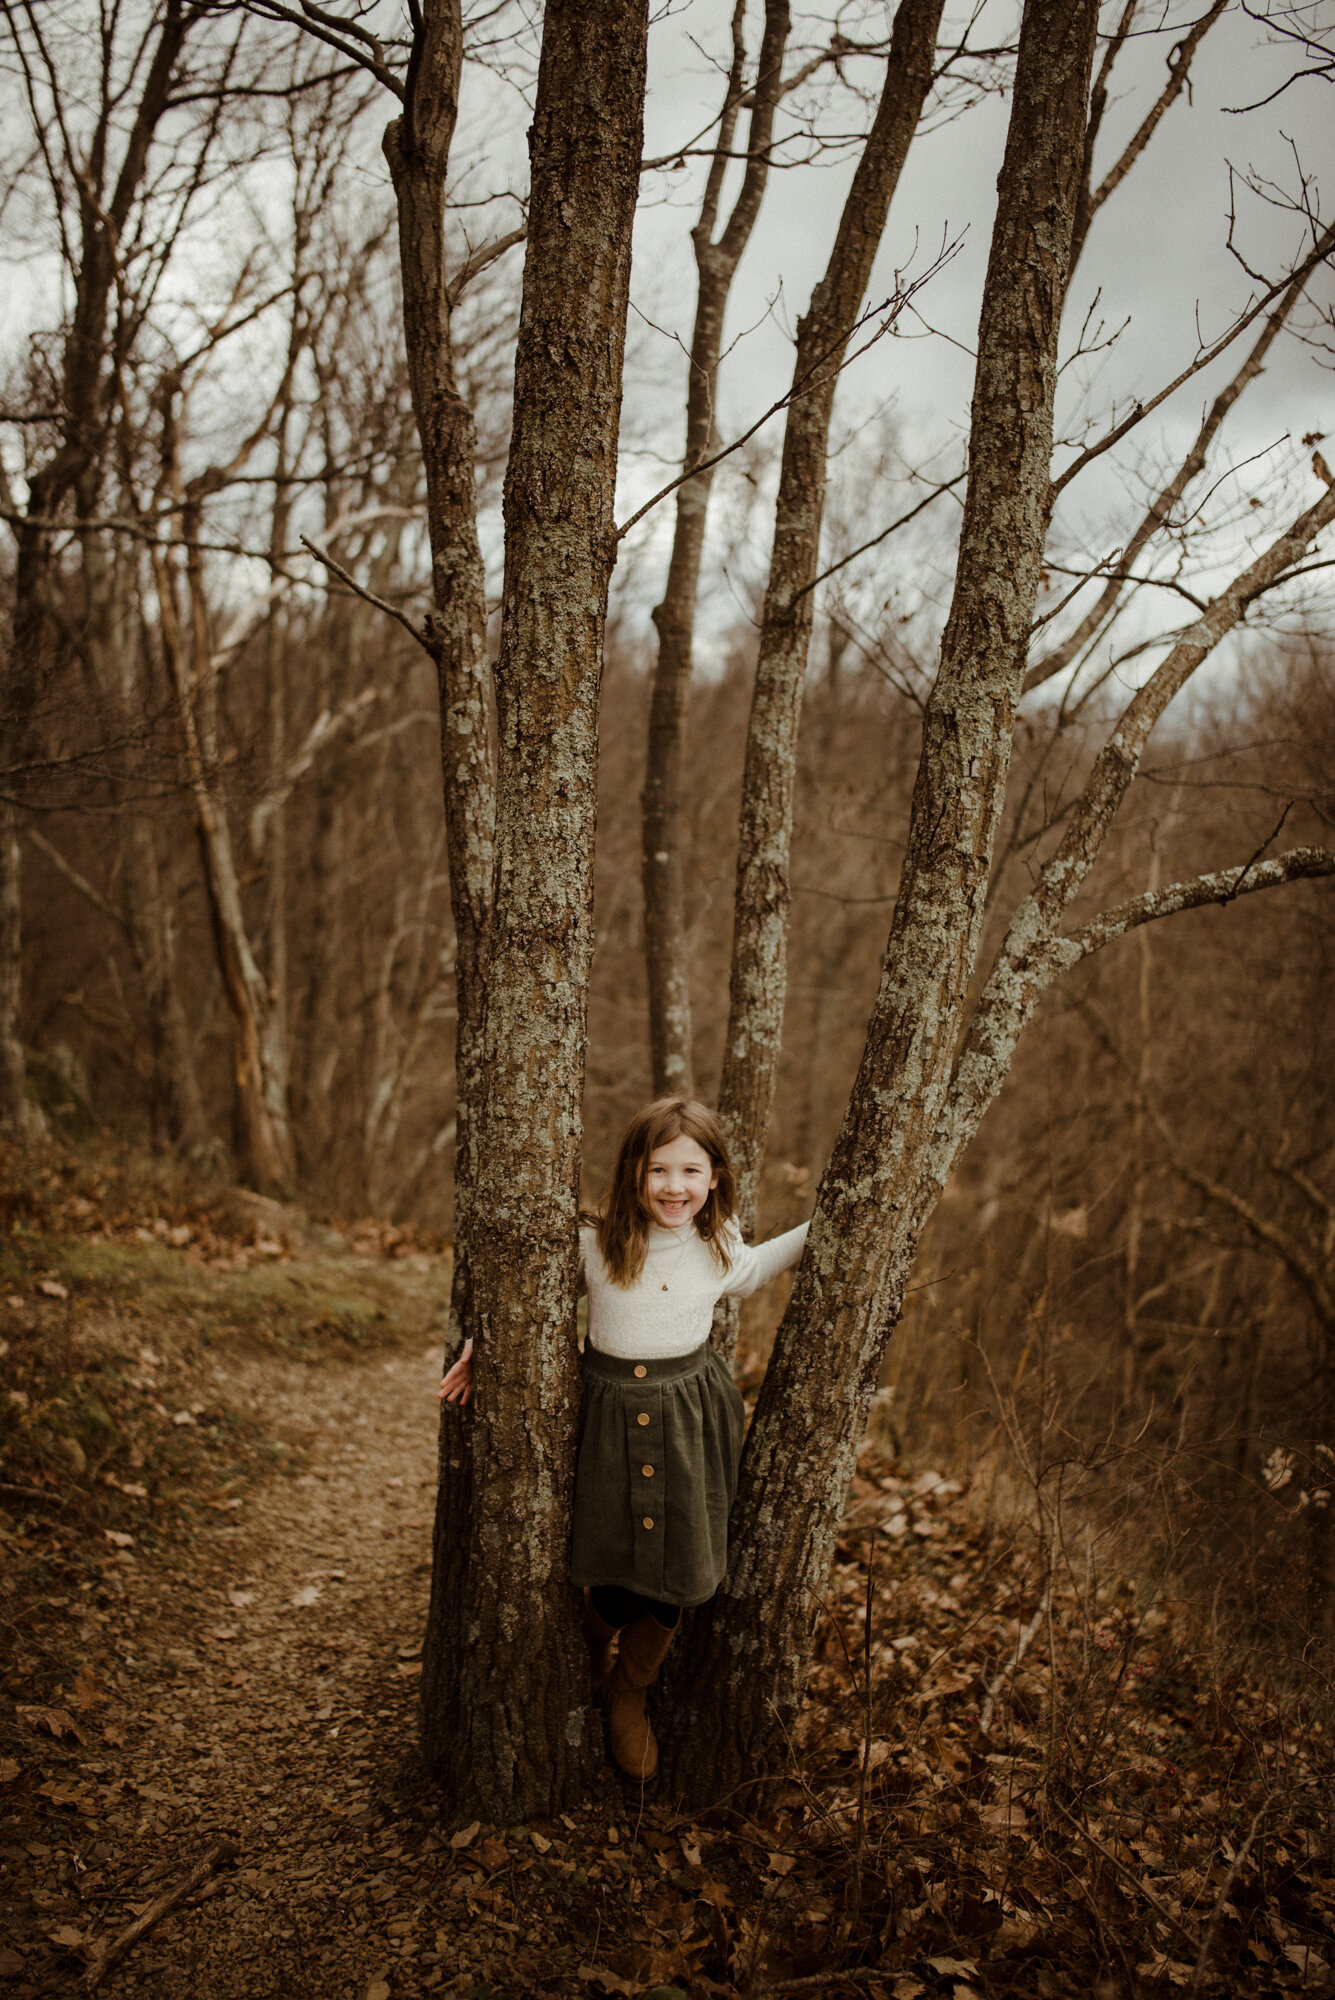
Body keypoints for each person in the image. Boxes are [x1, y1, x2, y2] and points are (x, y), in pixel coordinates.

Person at [438, 1096, 808, 1781]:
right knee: (611, 1559)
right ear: (633, 1173)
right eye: (657, 1168)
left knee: (675, 1565)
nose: (674, 1186)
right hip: (608, 1419)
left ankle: (629, 1694)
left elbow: (756, 1269)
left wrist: (836, 1220)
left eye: (690, 1170)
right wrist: (480, 1348)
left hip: (689, 1421)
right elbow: (532, 1302)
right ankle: (591, 1653)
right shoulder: (595, 1244)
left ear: (716, 1177)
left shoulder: (716, 1245)